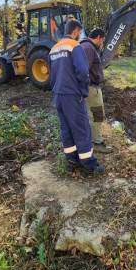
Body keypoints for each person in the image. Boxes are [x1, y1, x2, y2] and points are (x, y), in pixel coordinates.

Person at [48, 19, 104, 178]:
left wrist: (57, 89)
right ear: (75, 31)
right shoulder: (75, 46)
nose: (80, 35)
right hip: (73, 94)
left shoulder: (53, 49)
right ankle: (88, 166)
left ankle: (71, 162)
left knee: (66, 128)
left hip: (59, 95)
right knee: (81, 128)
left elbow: (51, 76)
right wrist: (82, 90)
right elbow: (82, 71)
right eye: (79, 32)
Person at [80, 28, 113, 154]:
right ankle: (97, 143)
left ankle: (94, 139)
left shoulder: (85, 46)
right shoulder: (88, 48)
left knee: (92, 115)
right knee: (96, 115)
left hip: (91, 87)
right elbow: (83, 70)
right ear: (98, 37)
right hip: (91, 88)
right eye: (102, 40)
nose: (102, 43)